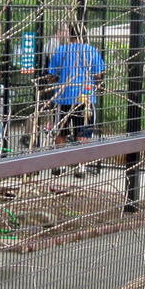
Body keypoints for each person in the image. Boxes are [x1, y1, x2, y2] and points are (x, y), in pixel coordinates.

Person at [45, 23, 105, 176]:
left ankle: (60, 165)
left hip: (64, 97)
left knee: (61, 130)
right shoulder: (91, 51)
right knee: (83, 131)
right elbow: (98, 75)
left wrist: (59, 77)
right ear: (84, 35)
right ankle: (81, 167)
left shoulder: (61, 50)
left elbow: (51, 75)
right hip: (85, 97)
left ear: (70, 34)